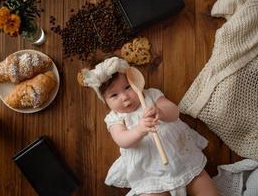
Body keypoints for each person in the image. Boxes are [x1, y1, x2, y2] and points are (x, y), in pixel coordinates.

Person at [81, 57, 218, 196]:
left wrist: (161, 112)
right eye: (114, 95)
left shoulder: (151, 96)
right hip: (149, 173)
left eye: (127, 87)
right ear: (105, 101)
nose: (124, 97)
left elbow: (174, 112)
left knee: (207, 190)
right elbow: (121, 140)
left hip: (182, 158)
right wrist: (138, 130)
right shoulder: (115, 118)